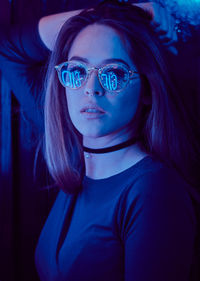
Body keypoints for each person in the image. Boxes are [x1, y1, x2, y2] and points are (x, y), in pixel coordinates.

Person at [32, 1, 200, 281]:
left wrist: (123, 16)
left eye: (114, 74)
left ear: (147, 89)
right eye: (77, 71)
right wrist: (110, 14)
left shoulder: (153, 191)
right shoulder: (79, 168)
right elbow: (9, 48)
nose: (91, 90)